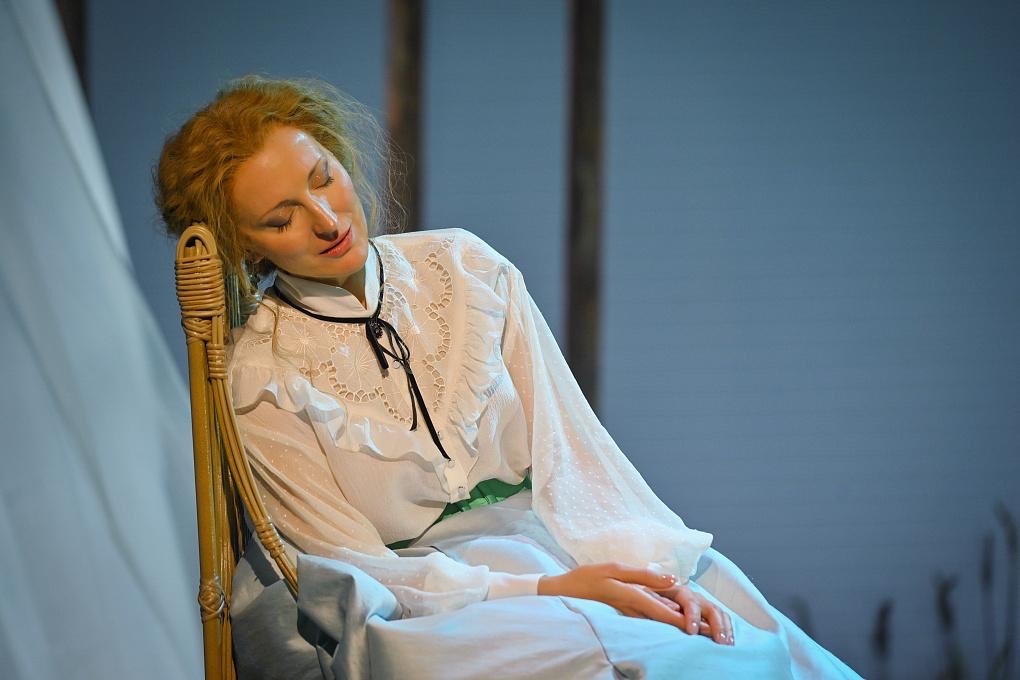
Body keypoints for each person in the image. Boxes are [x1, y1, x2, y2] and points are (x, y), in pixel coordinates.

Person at [156, 75, 860, 679]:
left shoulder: (465, 268)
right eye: (281, 219)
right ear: (245, 246)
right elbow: (348, 566)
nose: (324, 218)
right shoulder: (260, 373)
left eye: (324, 178)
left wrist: (647, 571)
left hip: (553, 538)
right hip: (425, 601)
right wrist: (551, 588)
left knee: (740, 647)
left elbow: (575, 454)